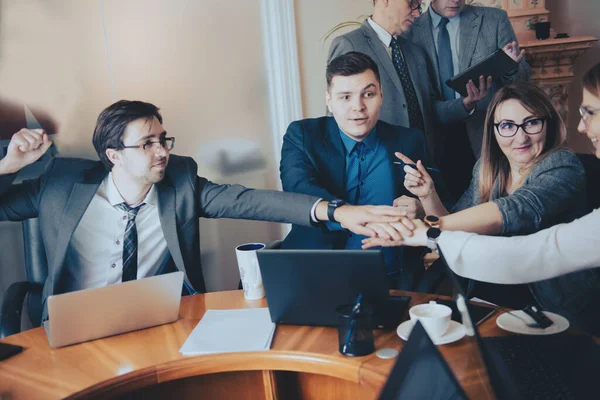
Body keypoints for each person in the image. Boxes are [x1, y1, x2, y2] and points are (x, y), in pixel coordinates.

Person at [0, 100, 408, 321]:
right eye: (147, 144)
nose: (163, 152)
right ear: (113, 155)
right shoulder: (61, 186)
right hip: (77, 324)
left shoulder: (179, 184)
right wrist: (8, 167)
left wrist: (337, 212)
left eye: (163, 139)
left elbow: (251, 200)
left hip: (158, 320)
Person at [363, 63, 600, 334]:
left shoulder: (562, 164)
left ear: (547, 123)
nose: (520, 136)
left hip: (552, 306)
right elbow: (456, 222)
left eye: (531, 122)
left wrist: (428, 230)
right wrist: (428, 195)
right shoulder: (487, 169)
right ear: (494, 130)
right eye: (508, 126)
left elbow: (518, 211)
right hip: (490, 295)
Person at [280, 52, 448, 291]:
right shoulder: (303, 135)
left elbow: (444, 208)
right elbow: (298, 190)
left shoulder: (410, 140)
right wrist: (345, 213)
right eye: (345, 97)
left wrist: (421, 206)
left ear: (381, 95)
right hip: (316, 275)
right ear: (329, 100)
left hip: (396, 280)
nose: (357, 107)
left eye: (367, 94)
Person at [327, 0, 489, 168]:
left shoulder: (415, 52)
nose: (417, 13)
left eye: (419, 6)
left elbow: (430, 108)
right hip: (376, 170)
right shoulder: (349, 45)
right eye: (412, 3)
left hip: (424, 166)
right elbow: (336, 120)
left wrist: (466, 104)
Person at [406, 0, 531, 198]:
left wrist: (511, 67)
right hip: (436, 137)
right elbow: (419, 96)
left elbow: (523, 78)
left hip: (487, 133)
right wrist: (463, 105)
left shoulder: (494, 19)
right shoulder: (411, 29)